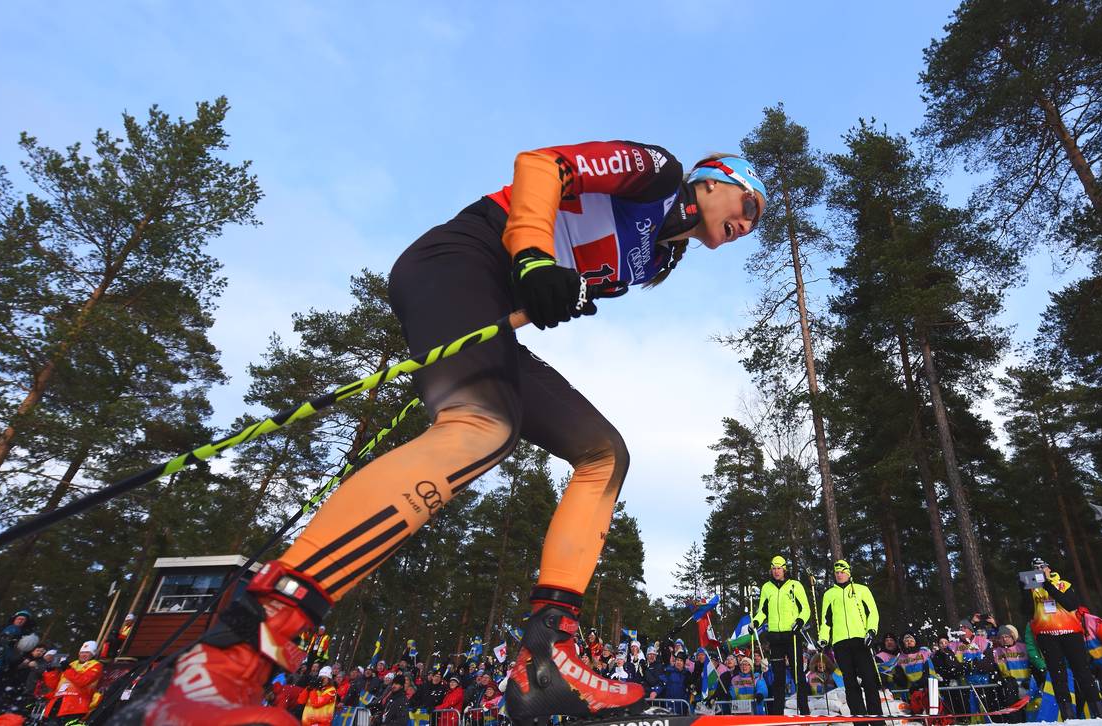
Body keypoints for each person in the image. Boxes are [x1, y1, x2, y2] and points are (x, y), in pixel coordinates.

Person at [125, 141, 767, 725]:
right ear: (713, 180)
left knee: (603, 453)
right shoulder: (659, 172)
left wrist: (552, 287)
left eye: (752, 225)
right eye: (746, 204)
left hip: (494, 308)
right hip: (462, 258)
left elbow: (572, 275)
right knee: (485, 428)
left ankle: (546, 666)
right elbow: (543, 167)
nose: (744, 225)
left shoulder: (663, 259)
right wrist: (538, 261)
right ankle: (230, 658)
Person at [1024, 557, 1102, 719]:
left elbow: (1071, 604)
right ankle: (1067, 715)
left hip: (1071, 632)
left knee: (1082, 671)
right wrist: (1023, 589)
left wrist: (1047, 584)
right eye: (1036, 568)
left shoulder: (1063, 584)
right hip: (1047, 635)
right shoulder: (1032, 589)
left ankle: (1099, 713)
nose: (1040, 570)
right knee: (1057, 675)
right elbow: (1027, 610)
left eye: (1042, 567)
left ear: (1049, 568)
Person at [817, 559, 881, 717]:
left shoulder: (861, 589)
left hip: (861, 641)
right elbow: (826, 620)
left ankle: (877, 719)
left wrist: (871, 631)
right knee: (850, 683)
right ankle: (859, 718)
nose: (839, 575)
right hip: (840, 643)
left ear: (848, 573)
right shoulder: (829, 594)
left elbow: (873, 613)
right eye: (837, 573)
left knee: (869, 680)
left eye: (842, 572)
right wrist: (823, 638)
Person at [753, 554, 811, 715]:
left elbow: (805, 609)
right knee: (777, 678)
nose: (776, 571)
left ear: (784, 569)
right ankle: (778, 714)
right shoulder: (767, 587)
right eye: (774, 569)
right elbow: (762, 611)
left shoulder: (794, 585)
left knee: (797, 674)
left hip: (792, 636)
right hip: (775, 638)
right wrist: (755, 622)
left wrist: (800, 621)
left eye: (779, 568)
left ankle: (804, 711)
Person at [43, 641, 103, 723]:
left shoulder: (96, 665)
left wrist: (67, 669)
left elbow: (83, 681)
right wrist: (50, 672)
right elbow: (54, 685)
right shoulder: (72, 664)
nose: (83, 654)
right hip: (57, 704)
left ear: (93, 654)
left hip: (76, 707)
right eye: (82, 652)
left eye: (87, 652)